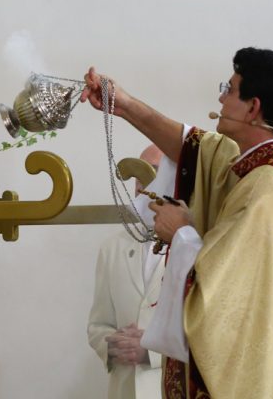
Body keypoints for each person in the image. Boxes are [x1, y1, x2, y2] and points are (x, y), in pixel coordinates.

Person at [80, 47, 273, 399]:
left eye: (230, 89)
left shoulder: (268, 190)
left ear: (253, 108)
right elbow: (196, 149)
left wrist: (180, 233)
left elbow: (225, 301)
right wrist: (124, 104)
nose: (221, 98)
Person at [87, 144, 166, 399]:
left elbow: (210, 336)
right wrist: (113, 346)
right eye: (137, 176)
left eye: (152, 172)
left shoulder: (199, 246)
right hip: (124, 390)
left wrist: (151, 352)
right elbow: (98, 325)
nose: (142, 185)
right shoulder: (112, 248)